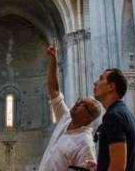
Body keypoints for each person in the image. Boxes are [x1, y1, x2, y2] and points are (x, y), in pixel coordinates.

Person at [38, 43, 100, 171]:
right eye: (79, 100)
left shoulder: (85, 144)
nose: (77, 103)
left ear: (88, 117)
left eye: (83, 104)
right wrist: (53, 59)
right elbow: (54, 91)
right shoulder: (65, 118)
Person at [91, 69, 135, 171]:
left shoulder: (114, 116)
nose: (95, 82)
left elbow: (117, 168)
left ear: (111, 87)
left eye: (101, 79)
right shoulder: (125, 114)